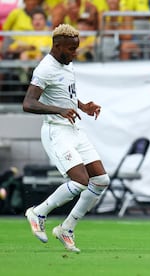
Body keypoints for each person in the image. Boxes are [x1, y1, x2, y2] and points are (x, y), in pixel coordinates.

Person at [23, 24, 110, 253]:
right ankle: (38, 212)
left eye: (76, 49)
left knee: (101, 180)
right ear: (57, 45)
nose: (74, 53)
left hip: (73, 128)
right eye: (71, 49)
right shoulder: (44, 69)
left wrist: (83, 105)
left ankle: (67, 228)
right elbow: (28, 103)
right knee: (81, 181)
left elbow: (65, 93)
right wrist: (58, 110)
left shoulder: (66, 65)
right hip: (56, 131)